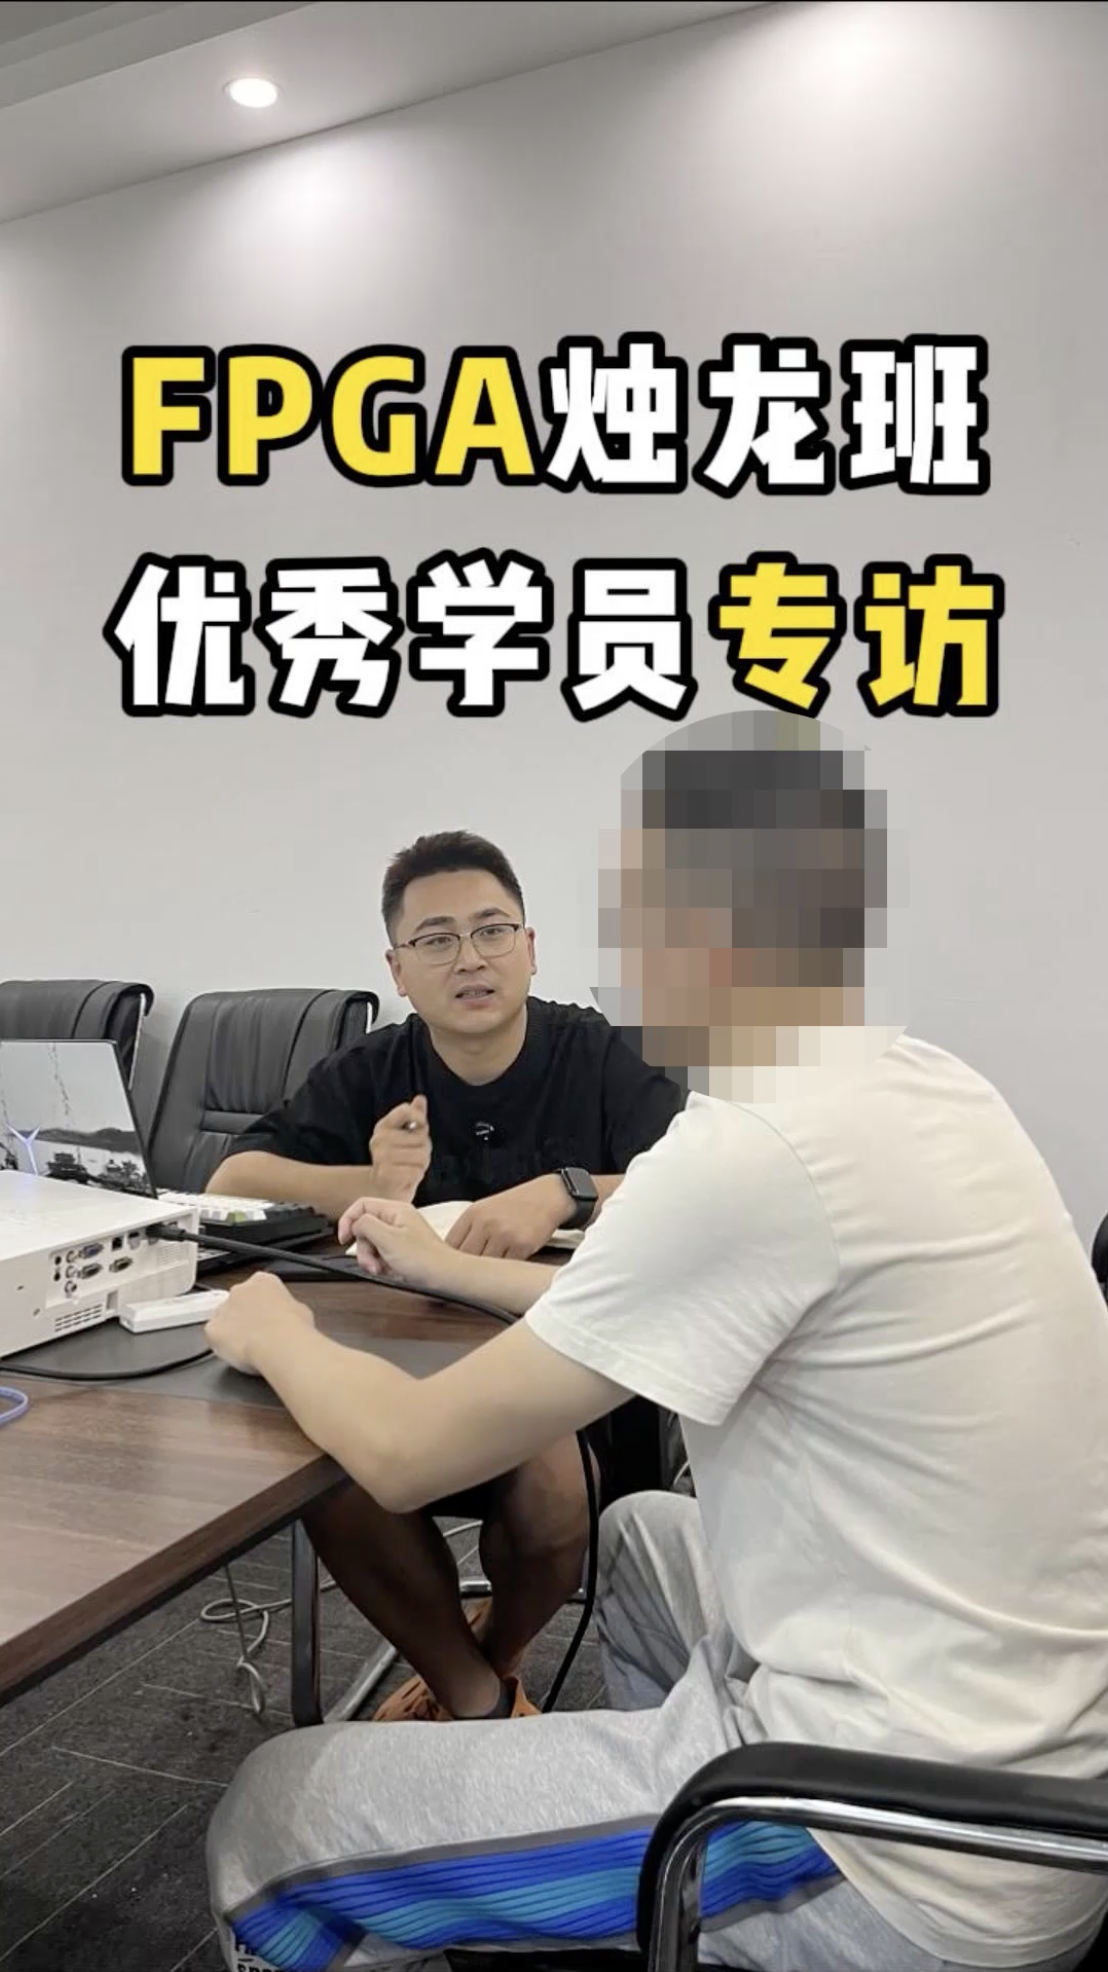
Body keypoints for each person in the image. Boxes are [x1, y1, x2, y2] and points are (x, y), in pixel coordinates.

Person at [204, 712, 1108, 1972]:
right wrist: (441, 1262)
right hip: (1029, 1754)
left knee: (275, 1811)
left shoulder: (752, 1144)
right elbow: (644, 1288)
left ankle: (691, 1844)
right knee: (636, 1534)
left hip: (900, 1845)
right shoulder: (918, 1081)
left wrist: (271, 1323)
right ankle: (658, 1909)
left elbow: (406, 1454)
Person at [209, 830, 683, 1722]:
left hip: (559, 1368)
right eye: (436, 940)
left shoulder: (600, 1054)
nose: (470, 958)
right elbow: (231, 1182)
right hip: (396, 1359)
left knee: (551, 1486)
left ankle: (491, 1653)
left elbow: (693, 1182)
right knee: (321, 1452)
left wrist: (568, 1189)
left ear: (530, 947)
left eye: (492, 931)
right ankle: (473, 1694)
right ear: (398, 970)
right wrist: (368, 1180)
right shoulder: (373, 1069)